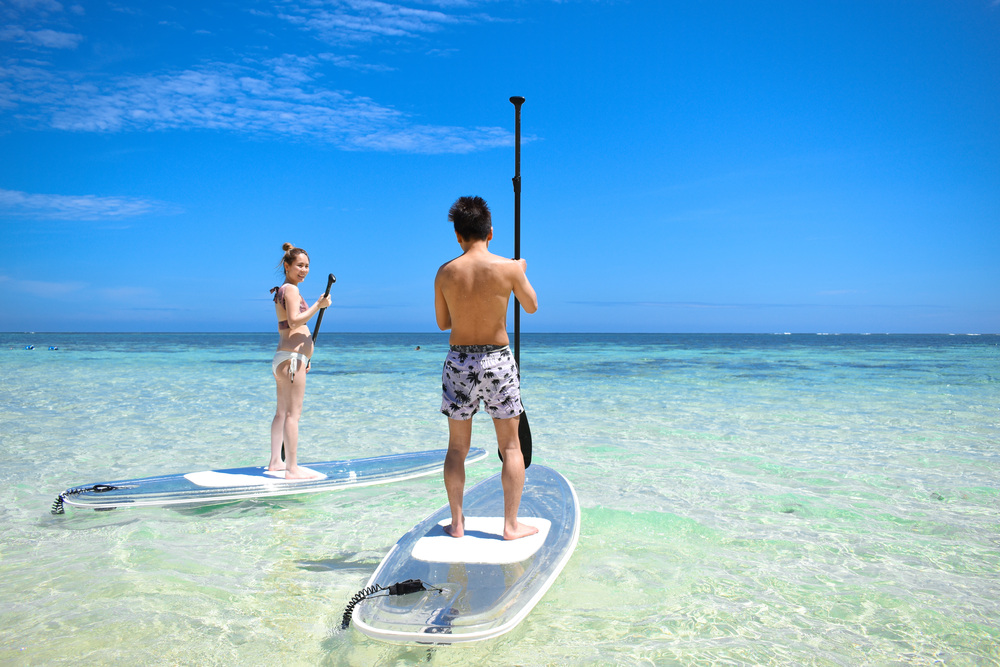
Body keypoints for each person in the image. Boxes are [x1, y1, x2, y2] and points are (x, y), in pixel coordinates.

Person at [434, 196, 539, 541]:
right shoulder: (508, 268)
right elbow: (532, 306)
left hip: (459, 361)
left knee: (456, 449)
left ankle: (457, 523)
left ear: (457, 236)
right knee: (511, 447)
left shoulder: (445, 272)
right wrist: (519, 271)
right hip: (498, 360)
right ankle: (510, 525)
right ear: (490, 232)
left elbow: (443, 323)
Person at [268, 242, 332, 480]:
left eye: (307, 266)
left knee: (281, 413)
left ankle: (276, 462)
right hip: (292, 360)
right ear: (287, 266)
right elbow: (295, 321)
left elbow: (289, 326)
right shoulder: (291, 290)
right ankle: (291, 468)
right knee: (292, 415)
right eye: (299, 265)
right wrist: (318, 305)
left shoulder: (283, 290)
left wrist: (306, 356)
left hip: (285, 359)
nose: (304, 270)